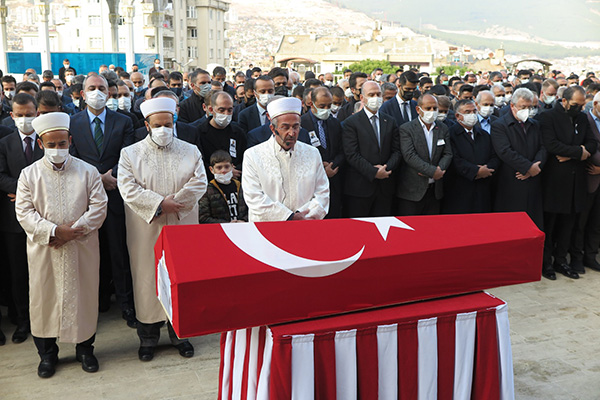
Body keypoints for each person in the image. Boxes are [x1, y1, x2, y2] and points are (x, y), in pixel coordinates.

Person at [15, 112, 107, 378]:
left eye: (62, 143)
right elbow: (24, 212)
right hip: (46, 249)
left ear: (70, 140)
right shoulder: (28, 175)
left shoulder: (88, 171)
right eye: (51, 144)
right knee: (45, 299)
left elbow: (99, 207)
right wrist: (55, 231)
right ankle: (47, 355)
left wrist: (72, 232)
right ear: (41, 144)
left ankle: (85, 350)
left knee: (84, 297)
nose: (58, 149)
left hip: (82, 246)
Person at [117, 97, 207, 362]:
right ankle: (148, 338)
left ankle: (181, 334)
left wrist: (174, 204)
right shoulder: (129, 154)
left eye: (168, 124)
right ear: (147, 125)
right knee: (147, 279)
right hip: (146, 229)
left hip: (182, 225)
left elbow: (199, 181)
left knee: (181, 279)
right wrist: (159, 204)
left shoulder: (190, 150)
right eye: (158, 125)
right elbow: (127, 188)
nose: (164, 129)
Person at [69, 74, 137, 325]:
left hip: (117, 195)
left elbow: (128, 155)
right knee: (90, 254)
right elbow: (72, 159)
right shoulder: (73, 123)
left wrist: (112, 177)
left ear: (109, 93)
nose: (96, 92)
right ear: (82, 94)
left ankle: (126, 304)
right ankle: (96, 303)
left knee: (119, 253)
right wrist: (98, 178)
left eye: (101, 88)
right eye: (91, 88)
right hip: (85, 199)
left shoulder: (124, 121)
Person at [0, 93, 44, 345]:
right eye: (20, 115)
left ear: (37, 113)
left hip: (44, 216)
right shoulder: (4, 143)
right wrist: (25, 190)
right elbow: (1, 175)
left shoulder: (46, 140)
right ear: (12, 115)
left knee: (42, 273)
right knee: (19, 274)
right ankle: (24, 321)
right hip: (13, 222)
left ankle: (44, 320)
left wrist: (30, 193)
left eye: (30, 114)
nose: (25, 119)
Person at [539, 86, 596, 280]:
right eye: (575, 105)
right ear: (564, 101)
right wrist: (579, 152)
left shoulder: (582, 117)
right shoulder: (547, 117)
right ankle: (546, 263)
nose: (579, 109)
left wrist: (573, 154)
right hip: (555, 182)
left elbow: (591, 143)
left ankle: (561, 260)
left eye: (581, 105)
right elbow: (551, 144)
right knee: (551, 224)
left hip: (576, 181)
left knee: (568, 224)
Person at [242, 97, 329, 222]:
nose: (292, 133)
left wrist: (303, 215)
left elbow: (322, 193)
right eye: (285, 127)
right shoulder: (253, 155)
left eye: (296, 127)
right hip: (266, 230)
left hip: (305, 225)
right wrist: (288, 217)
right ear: (273, 128)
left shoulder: (312, 153)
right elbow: (254, 197)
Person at [491, 88, 546, 238]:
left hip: (533, 181)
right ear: (512, 106)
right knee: (511, 227)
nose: (527, 111)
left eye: (530, 107)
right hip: (511, 181)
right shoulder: (500, 125)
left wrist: (536, 166)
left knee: (533, 226)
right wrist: (527, 167)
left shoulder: (535, 124)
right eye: (523, 107)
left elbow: (542, 147)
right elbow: (504, 151)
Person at [342, 81, 401, 217]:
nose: (376, 98)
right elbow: (351, 154)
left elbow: (397, 150)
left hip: (385, 187)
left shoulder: (390, 121)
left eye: (378, 94)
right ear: (362, 98)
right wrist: (374, 172)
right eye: (371, 94)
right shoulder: (351, 123)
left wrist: (386, 168)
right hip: (360, 188)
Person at [396, 94, 452, 215]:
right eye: (428, 108)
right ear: (418, 109)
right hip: (412, 191)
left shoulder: (442, 128)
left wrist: (440, 169)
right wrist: (432, 171)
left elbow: (447, 153)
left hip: (435, 191)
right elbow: (409, 155)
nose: (432, 112)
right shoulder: (406, 129)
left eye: (435, 108)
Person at [443, 99, 499, 214]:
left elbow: (494, 156)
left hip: (482, 187)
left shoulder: (483, 134)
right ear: (458, 116)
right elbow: (455, 159)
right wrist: (476, 171)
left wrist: (487, 169)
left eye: (474, 111)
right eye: (467, 112)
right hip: (459, 189)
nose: (472, 115)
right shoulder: (451, 134)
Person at [300, 87, 345, 218]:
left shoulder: (335, 123)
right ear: (311, 103)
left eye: (329, 105)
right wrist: (320, 169)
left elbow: (342, 151)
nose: (326, 109)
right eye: (321, 106)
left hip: (333, 180)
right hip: (310, 183)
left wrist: (332, 166)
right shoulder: (301, 123)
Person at [570, 92, 600, 272]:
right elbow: (587, 149)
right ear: (595, 104)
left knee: (597, 222)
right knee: (580, 222)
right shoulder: (584, 120)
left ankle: (591, 255)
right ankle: (577, 257)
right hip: (587, 179)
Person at [197, 91, 246, 180]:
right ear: (211, 110)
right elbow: (199, 162)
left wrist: (233, 171)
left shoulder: (238, 132)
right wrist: (222, 173)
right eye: (221, 110)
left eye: (229, 110)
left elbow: (244, 157)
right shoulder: (199, 132)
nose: (226, 114)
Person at [198, 150, 248, 223]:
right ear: (211, 170)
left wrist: (244, 220)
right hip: (220, 231)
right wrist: (226, 224)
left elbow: (251, 209)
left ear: (232, 167)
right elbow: (203, 218)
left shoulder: (241, 186)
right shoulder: (207, 190)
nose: (223, 170)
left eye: (227, 167)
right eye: (219, 168)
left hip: (242, 227)